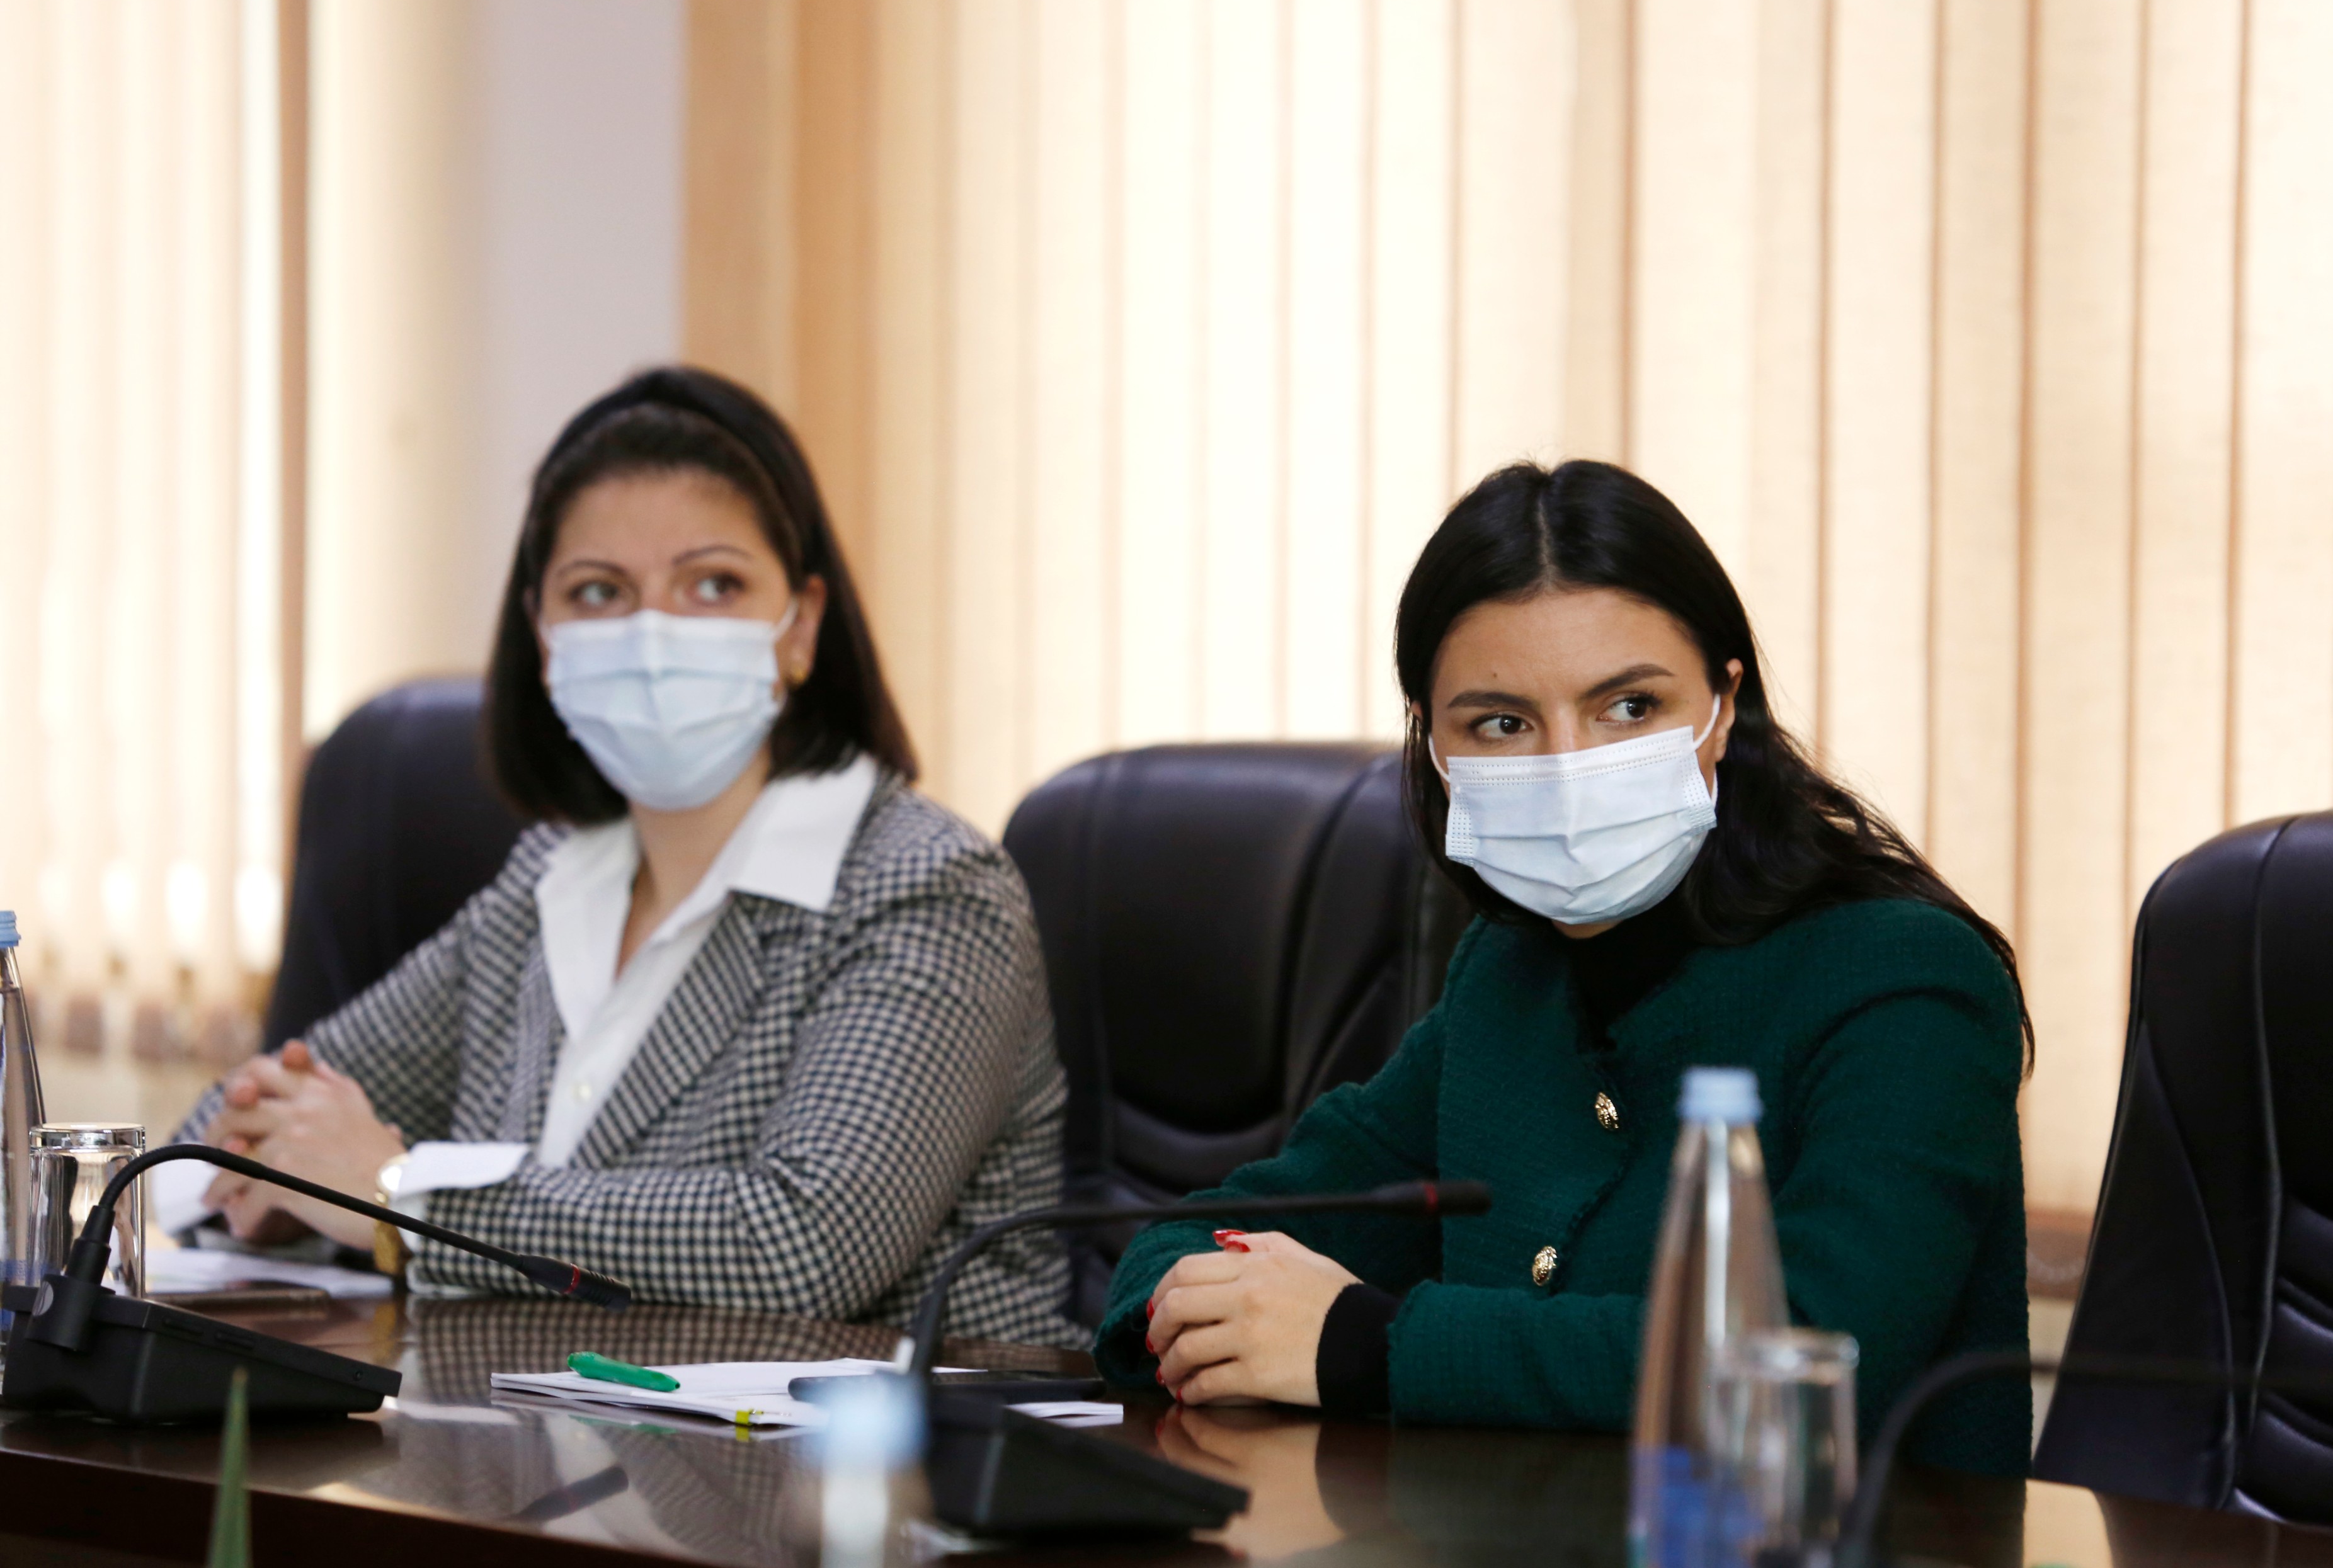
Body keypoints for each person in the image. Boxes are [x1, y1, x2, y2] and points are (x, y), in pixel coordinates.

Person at [1097, 460, 2031, 1474]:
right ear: (1435, 748)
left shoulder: (1907, 980)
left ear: (1724, 703)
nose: (1568, 766)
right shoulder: (1509, 973)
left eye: (1628, 707)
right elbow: (1190, 1248)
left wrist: (1366, 1344)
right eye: (1501, 724)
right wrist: (1213, 1310)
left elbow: (1813, 1359)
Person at [173, 366, 1071, 1342]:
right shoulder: (550, 879)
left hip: (881, 1435)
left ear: (801, 626)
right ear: (544, 640)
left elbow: (800, 1244)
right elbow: (243, 1121)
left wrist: (400, 1196)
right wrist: (266, 1181)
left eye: (713, 585)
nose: (652, 635)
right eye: (599, 592)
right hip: (524, 1424)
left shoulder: (929, 889)